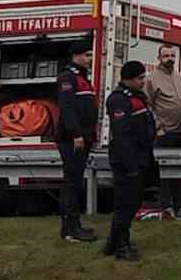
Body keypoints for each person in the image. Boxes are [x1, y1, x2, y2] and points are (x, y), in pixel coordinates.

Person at [104, 61, 155, 262]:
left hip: (140, 156)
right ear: (128, 79)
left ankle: (113, 242)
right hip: (127, 159)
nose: (143, 81)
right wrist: (131, 165)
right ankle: (121, 246)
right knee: (125, 204)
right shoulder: (119, 99)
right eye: (140, 78)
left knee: (132, 203)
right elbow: (122, 134)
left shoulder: (136, 97)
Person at [54, 39, 99, 244]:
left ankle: (73, 225)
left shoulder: (82, 78)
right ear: (76, 56)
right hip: (71, 139)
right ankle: (70, 228)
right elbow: (67, 107)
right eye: (87, 55)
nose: (90, 59)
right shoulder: (68, 77)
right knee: (72, 182)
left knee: (76, 181)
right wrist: (76, 134)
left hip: (83, 137)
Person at [145, 43, 181, 219]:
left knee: (179, 172)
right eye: (166, 56)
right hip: (165, 132)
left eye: (172, 56)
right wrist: (158, 127)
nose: (170, 59)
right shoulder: (151, 78)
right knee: (165, 173)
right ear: (159, 57)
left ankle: (179, 206)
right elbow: (147, 105)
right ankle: (166, 208)